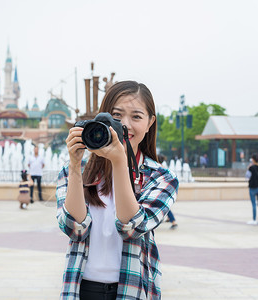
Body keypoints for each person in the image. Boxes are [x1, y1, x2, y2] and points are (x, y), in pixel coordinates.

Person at [56, 81, 179, 299]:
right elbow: (74, 229)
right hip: (82, 288)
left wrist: (120, 162)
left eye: (137, 117)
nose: (125, 125)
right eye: (117, 115)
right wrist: (75, 165)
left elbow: (132, 228)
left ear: (151, 122)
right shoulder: (75, 169)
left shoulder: (162, 178)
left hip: (133, 289)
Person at [246, 154, 258, 225]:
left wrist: (248, 168)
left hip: (252, 188)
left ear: (253, 159)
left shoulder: (251, 168)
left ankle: (254, 219)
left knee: (254, 204)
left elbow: (247, 176)